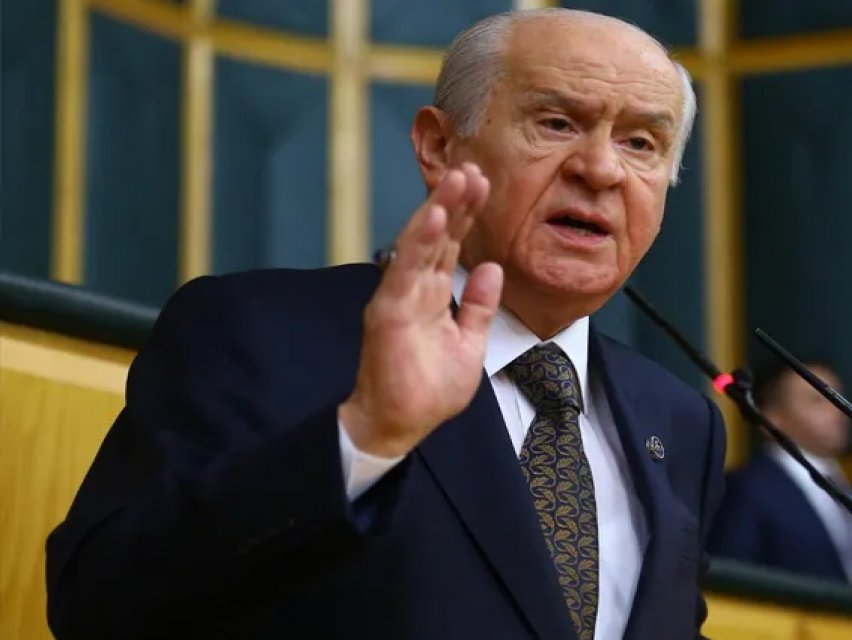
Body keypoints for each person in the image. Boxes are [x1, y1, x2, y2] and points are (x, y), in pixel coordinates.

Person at [45, 9, 725, 640]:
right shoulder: (259, 333)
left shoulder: (680, 421)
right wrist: (365, 437)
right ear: (438, 146)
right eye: (556, 123)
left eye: (641, 142)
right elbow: (99, 605)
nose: (601, 169)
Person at [708, 359, 852, 593]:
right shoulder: (747, 489)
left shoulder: (851, 489)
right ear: (772, 417)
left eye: (838, 399)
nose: (838, 411)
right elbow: (733, 582)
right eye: (818, 401)